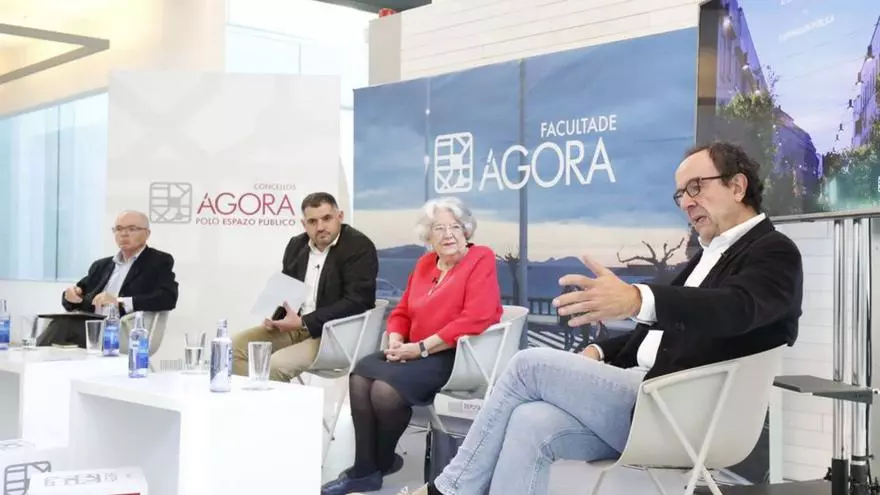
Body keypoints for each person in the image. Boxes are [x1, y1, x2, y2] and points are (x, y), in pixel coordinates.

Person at [402, 141, 804, 495]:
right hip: (647, 402)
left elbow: (736, 309)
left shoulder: (774, 251)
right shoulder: (707, 255)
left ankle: (448, 489)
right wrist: (599, 351)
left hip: (681, 412)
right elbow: (661, 337)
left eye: (696, 187)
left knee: (528, 365)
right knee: (529, 421)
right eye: (680, 193)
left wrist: (636, 298)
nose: (686, 202)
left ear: (737, 186)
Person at [322, 196, 503, 495]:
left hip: (456, 356)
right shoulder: (424, 264)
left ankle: (376, 465)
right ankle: (365, 469)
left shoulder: (480, 258)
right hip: (415, 351)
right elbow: (403, 311)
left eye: (455, 227)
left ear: (466, 230)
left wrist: (421, 348)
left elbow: (476, 317)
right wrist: (396, 338)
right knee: (361, 374)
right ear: (428, 235)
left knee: (385, 390)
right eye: (439, 228)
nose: (448, 235)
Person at [231, 192, 378, 382]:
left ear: (340, 217)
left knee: (274, 365)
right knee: (232, 349)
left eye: (327, 218)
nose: (321, 227)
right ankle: (260, 396)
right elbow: (286, 289)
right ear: (304, 224)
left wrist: (304, 322)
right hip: (295, 329)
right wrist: (275, 318)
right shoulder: (296, 245)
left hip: (333, 336)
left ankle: (271, 398)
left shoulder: (359, 246)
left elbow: (358, 301)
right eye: (312, 221)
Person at [38, 210, 179, 348]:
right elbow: (75, 296)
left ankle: (35, 355)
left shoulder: (157, 261)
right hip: (90, 325)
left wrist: (118, 302)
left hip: (123, 331)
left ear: (147, 233)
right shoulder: (101, 265)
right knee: (61, 323)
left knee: (63, 325)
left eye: (132, 229)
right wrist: (70, 296)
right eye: (119, 229)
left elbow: (168, 297)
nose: (124, 234)